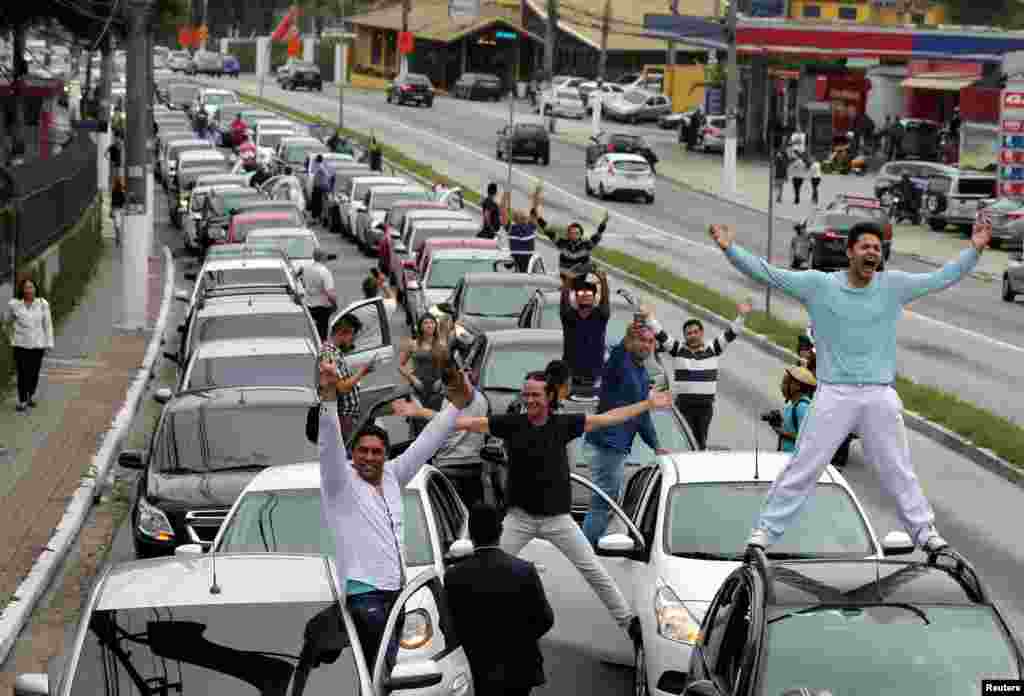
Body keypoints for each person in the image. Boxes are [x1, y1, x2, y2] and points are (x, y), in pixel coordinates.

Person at [709, 219, 990, 555]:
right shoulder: (819, 285)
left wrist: (974, 249)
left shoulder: (893, 286)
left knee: (898, 469)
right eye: (865, 247)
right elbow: (767, 273)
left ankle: (925, 533)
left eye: (877, 248)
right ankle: (765, 532)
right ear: (850, 252)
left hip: (878, 395)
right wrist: (729, 249)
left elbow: (940, 278)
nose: (872, 252)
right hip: (834, 394)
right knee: (804, 465)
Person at [447, 371, 673, 646]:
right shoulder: (511, 424)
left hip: (558, 520)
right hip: (520, 519)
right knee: (485, 570)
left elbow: (608, 418)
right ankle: (463, 627)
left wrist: (647, 404)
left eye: (535, 395)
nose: (529, 400)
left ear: (549, 396)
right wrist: (421, 412)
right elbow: (464, 423)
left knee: (593, 570)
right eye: (526, 394)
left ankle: (629, 624)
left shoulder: (563, 424)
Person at [316, 355, 475, 670]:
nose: (370, 458)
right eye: (362, 451)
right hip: (364, 594)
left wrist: (455, 406)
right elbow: (329, 445)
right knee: (383, 669)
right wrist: (329, 397)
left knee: (386, 668)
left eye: (377, 452)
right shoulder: (340, 481)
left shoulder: (392, 475)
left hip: (397, 591)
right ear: (352, 455)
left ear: (386, 455)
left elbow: (426, 442)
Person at [445, 502, 555, 696]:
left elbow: (448, 627)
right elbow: (545, 619)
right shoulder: (524, 571)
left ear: (470, 533)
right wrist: (518, 639)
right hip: (520, 669)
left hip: (478, 668)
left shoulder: (454, 576)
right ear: (500, 531)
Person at [582, 321, 670, 545]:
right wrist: (629, 333)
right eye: (641, 340)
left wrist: (656, 445)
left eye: (650, 342)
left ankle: (593, 544)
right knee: (603, 503)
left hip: (618, 447)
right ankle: (588, 549)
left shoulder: (641, 373)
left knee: (608, 501)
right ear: (630, 341)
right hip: (606, 444)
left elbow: (642, 415)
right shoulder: (620, 363)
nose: (646, 345)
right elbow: (621, 350)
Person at [647, 302, 750, 450]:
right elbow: (661, 335)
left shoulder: (713, 348)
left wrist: (742, 315)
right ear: (685, 336)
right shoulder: (678, 349)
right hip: (683, 406)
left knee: (700, 442)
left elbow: (731, 334)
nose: (693, 335)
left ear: (702, 333)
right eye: (689, 333)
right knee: (684, 442)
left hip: (704, 407)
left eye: (696, 332)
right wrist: (649, 316)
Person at [392, 372, 492, 504]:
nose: (443, 392)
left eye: (446, 388)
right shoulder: (481, 400)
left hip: (448, 467)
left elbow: (445, 423)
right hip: (473, 467)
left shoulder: (452, 403)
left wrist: (420, 411)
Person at [320, 314, 376, 442]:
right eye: (352, 336)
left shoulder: (336, 352)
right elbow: (342, 388)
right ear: (343, 333)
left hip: (347, 416)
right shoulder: (329, 354)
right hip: (343, 417)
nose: (352, 341)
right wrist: (362, 372)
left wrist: (364, 372)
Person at [5, 277, 54, 412]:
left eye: (31, 287)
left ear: (35, 289)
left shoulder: (42, 304)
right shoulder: (14, 304)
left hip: (37, 345)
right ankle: (22, 400)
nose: (28, 290)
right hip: (20, 345)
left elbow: (48, 325)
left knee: (33, 373)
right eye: (26, 287)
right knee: (22, 373)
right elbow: (7, 323)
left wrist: (49, 343)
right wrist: (11, 339)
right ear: (21, 289)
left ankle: (30, 395)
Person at [561, 270, 611, 385]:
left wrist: (603, 280)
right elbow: (564, 299)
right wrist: (568, 280)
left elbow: (605, 300)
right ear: (576, 298)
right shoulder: (569, 317)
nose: (584, 296)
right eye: (580, 294)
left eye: (588, 294)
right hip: (571, 376)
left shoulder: (600, 316)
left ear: (594, 298)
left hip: (595, 376)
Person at [398, 315, 447, 412]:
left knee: (435, 418)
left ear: (435, 326)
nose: (429, 325)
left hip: (436, 388)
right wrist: (413, 379)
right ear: (420, 326)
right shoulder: (413, 344)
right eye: (426, 323)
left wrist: (441, 380)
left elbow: (448, 366)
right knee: (418, 418)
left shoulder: (442, 344)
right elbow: (400, 365)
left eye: (432, 323)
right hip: (418, 387)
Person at [542, 212, 608, 283]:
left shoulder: (587, 245)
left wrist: (604, 222)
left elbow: (598, 234)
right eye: (571, 233)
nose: (574, 235)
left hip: (580, 280)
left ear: (581, 235)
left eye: (576, 233)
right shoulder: (562, 243)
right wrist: (539, 219)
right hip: (564, 280)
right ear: (568, 234)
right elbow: (549, 232)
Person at [777, 365, 816, 453]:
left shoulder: (802, 407)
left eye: (785, 383)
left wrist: (782, 433)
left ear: (796, 386)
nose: (782, 386)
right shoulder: (791, 405)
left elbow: (807, 439)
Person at [502, 188, 541, 272]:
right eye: (524, 216)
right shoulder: (529, 227)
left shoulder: (512, 229)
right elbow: (534, 211)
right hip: (526, 263)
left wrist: (505, 196)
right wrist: (536, 196)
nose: (526, 217)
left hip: (522, 263)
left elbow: (503, 212)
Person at [304, 249, 337, 341]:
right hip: (322, 307)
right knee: (322, 332)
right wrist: (334, 304)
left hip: (309, 304)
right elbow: (329, 292)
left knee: (313, 331)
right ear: (323, 257)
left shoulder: (307, 269)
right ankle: (321, 349)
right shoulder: (325, 272)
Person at [310, 154, 331, 222]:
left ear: (317, 160)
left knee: (317, 202)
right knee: (319, 203)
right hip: (321, 186)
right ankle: (319, 217)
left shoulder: (320, 166)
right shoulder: (320, 165)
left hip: (319, 187)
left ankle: (317, 218)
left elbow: (326, 174)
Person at [110, 176, 126, 248]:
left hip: (115, 209)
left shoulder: (113, 191)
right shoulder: (122, 191)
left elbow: (112, 202)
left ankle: (118, 239)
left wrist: (111, 210)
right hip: (121, 209)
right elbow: (124, 201)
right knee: (120, 226)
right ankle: (120, 240)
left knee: (117, 226)